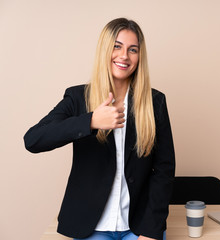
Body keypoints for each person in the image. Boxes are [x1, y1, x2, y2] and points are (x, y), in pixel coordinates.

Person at [24, 18, 175, 240]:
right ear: (105, 49)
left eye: (132, 49)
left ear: (139, 56)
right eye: (117, 46)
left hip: (139, 226)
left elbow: (164, 169)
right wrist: (91, 121)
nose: (124, 55)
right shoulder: (77, 98)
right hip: (90, 227)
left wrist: (151, 230)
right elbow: (33, 139)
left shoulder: (155, 102)